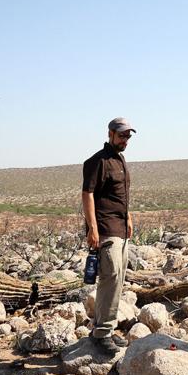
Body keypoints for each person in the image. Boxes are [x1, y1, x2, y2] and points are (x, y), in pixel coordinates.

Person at [81, 117, 135, 354]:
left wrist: (129, 217)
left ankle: (107, 330)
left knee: (118, 279)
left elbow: (119, 196)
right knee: (109, 278)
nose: (125, 140)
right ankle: (101, 333)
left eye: (128, 136)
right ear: (111, 133)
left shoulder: (120, 160)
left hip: (121, 227)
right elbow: (87, 194)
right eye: (122, 135)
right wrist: (92, 228)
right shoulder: (97, 161)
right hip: (105, 229)